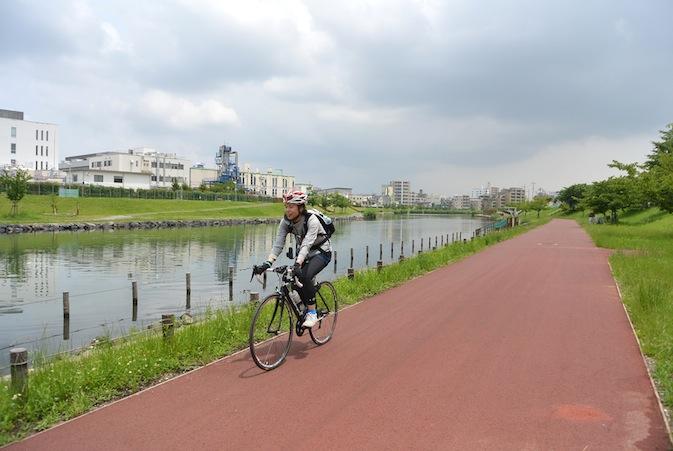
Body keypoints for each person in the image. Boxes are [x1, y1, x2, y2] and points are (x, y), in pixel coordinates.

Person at [254, 190, 332, 328]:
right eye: (286, 206)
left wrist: (297, 263)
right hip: (304, 254)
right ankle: (304, 308)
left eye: (291, 206)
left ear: (300, 207)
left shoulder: (311, 220)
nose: (287, 210)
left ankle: (312, 313)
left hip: (321, 252)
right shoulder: (286, 222)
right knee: (294, 282)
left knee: (306, 276)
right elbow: (278, 244)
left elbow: (307, 243)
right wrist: (268, 262)